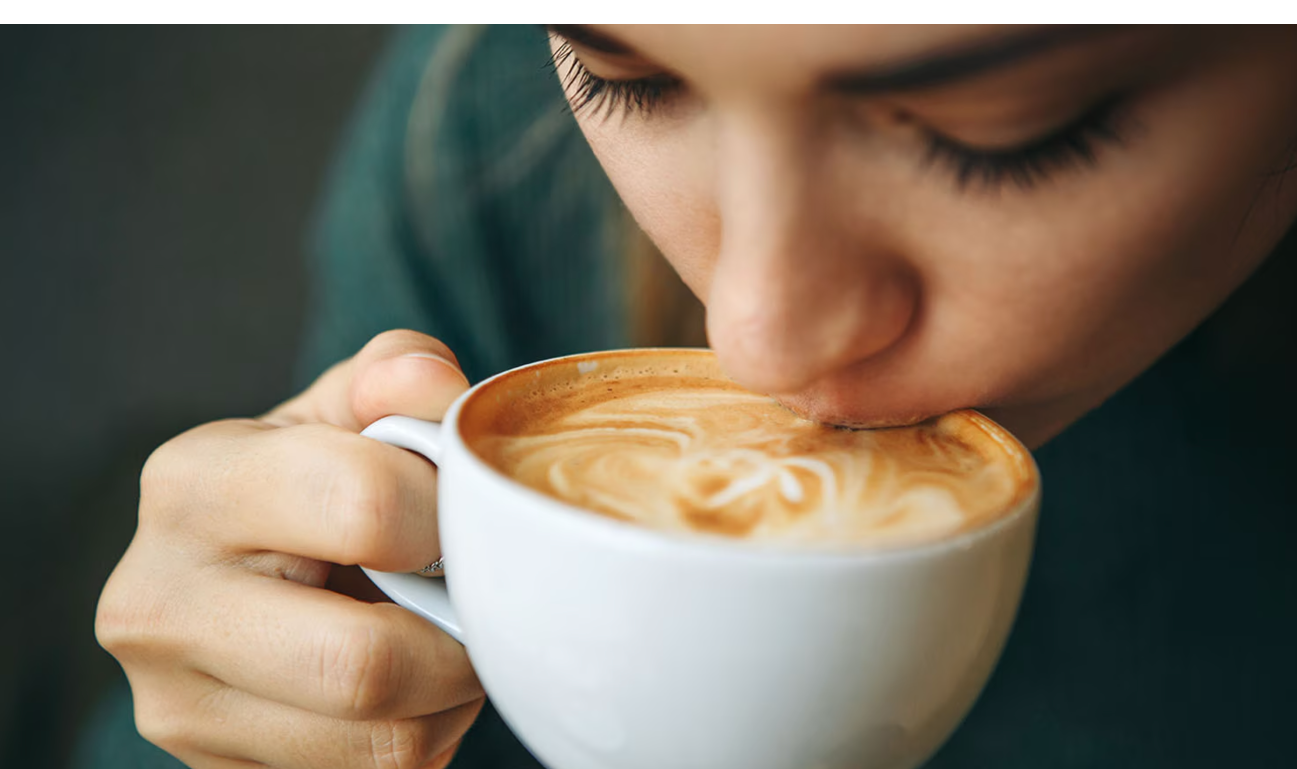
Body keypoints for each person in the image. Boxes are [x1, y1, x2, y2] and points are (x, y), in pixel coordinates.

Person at [83, 24, 1297, 768]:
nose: (756, 334)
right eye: (625, 76)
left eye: (995, 135)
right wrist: (258, 694)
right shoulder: (490, 136)